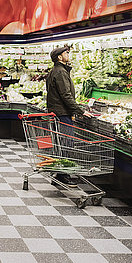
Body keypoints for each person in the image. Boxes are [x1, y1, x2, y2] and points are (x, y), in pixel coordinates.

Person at [46, 45, 92, 186]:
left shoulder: (57, 71)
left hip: (59, 112)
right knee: (66, 144)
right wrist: (80, 111)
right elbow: (65, 95)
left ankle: (60, 172)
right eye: (66, 52)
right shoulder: (60, 72)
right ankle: (62, 176)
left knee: (61, 144)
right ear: (59, 57)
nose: (68, 54)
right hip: (62, 113)